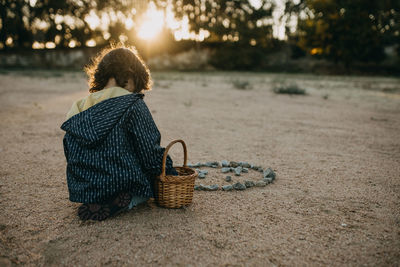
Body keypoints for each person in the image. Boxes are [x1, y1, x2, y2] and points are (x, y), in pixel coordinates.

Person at [60, 45, 178, 221]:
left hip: (85, 187)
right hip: (121, 182)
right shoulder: (132, 104)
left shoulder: (78, 108)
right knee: (146, 184)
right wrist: (169, 171)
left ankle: (97, 198)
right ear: (130, 74)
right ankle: (126, 198)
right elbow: (150, 151)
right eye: (138, 85)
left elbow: (70, 151)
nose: (138, 92)